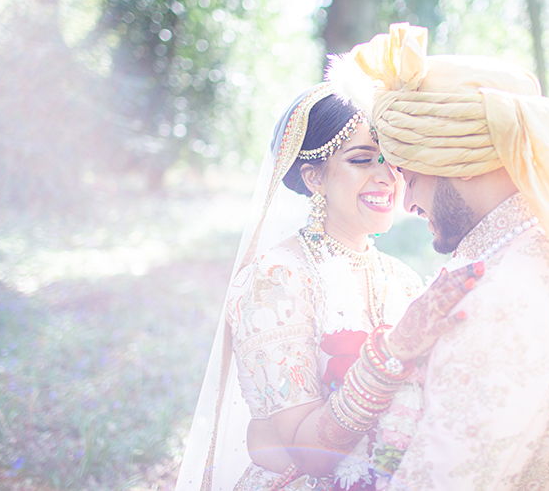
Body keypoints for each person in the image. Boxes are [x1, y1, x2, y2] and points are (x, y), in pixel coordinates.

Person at [328, 23, 549, 490]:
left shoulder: (503, 298)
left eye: (408, 176)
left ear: (448, 158)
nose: (407, 203)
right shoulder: (545, 251)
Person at [175, 83, 482, 491]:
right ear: (314, 176)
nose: (386, 178)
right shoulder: (276, 279)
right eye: (361, 160)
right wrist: (396, 350)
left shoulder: (402, 279)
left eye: (390, 161)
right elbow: (309, 456)